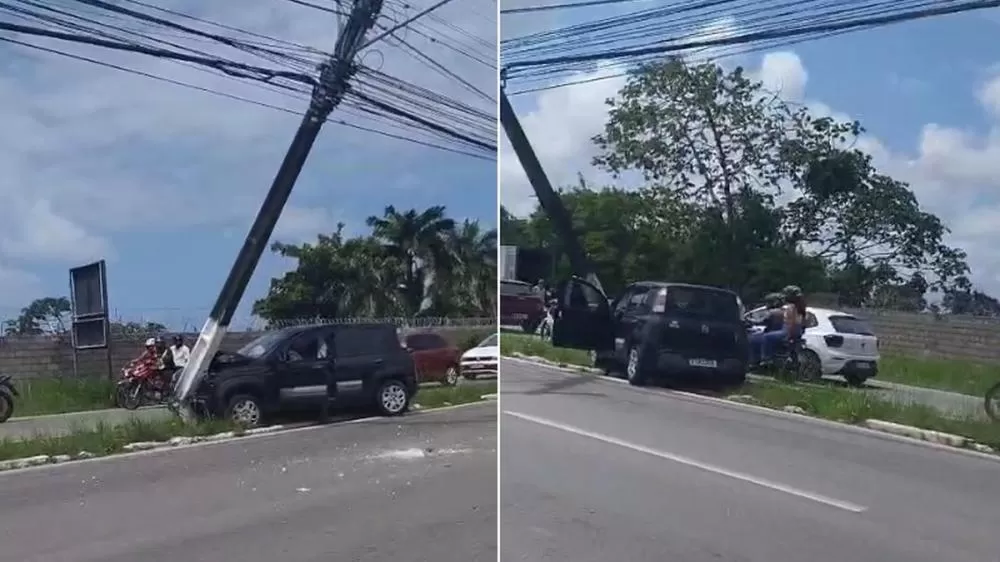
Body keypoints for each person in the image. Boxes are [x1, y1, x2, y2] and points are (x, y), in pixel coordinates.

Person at [760, 285, 808, 364]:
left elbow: (791, 323)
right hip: (797, 332)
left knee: (766, 337)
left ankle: (766, 359)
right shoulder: (801, 307)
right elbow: (803, 323)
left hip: (787, 331)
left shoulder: (791, 307)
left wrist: (788, 336)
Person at [749, 293, 785, 365]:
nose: (766, 304)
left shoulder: (771, 312)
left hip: (771, 332)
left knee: (752, 339)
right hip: (780, 333)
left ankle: (755, 361)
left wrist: (749, 320)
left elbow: (761, 321)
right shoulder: (784, 311)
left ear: (774, 302)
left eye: (768, 302)